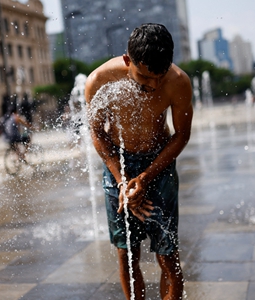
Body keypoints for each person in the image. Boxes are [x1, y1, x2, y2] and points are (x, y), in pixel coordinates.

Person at [84, 23, 192, 300]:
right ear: (127, 61)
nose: (154, 85)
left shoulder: (178, 81)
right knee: (127, 252)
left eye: (160, 76)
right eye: (144, 78)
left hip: (160, 162)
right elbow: (96, 132)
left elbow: (181, 135)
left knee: (167, 251)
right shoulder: (100, 80)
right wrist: (122, 182)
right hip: (118, 163)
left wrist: (144, 179)